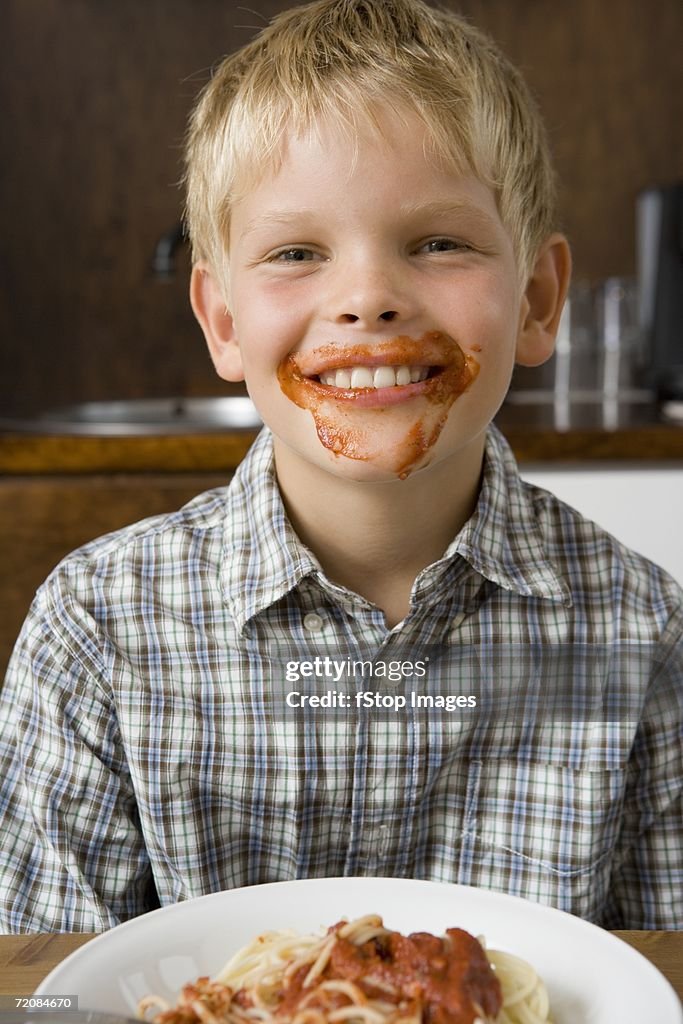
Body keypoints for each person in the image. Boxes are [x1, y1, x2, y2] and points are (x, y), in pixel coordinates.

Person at [0, 0, 680, 934]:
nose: (366, 298)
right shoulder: (95, 631)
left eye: (438, 242)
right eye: (295, 252)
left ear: (535, 301)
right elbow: (50, 989)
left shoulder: (645, 634)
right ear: (225, 321)